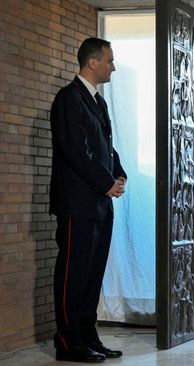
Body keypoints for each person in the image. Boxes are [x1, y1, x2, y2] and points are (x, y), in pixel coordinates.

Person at [49, 37, 126, 362]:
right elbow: (76, 150)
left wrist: (118, 174)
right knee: (73, 273)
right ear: (92, 62)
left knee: (92, 274)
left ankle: (87, 336)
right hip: (77, 204)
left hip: (99, 203)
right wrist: (105, 182)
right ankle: (68, 342)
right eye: (109, 60)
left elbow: (106, 147)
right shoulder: (69, 98)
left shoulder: (98, 102)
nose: (112, 66)